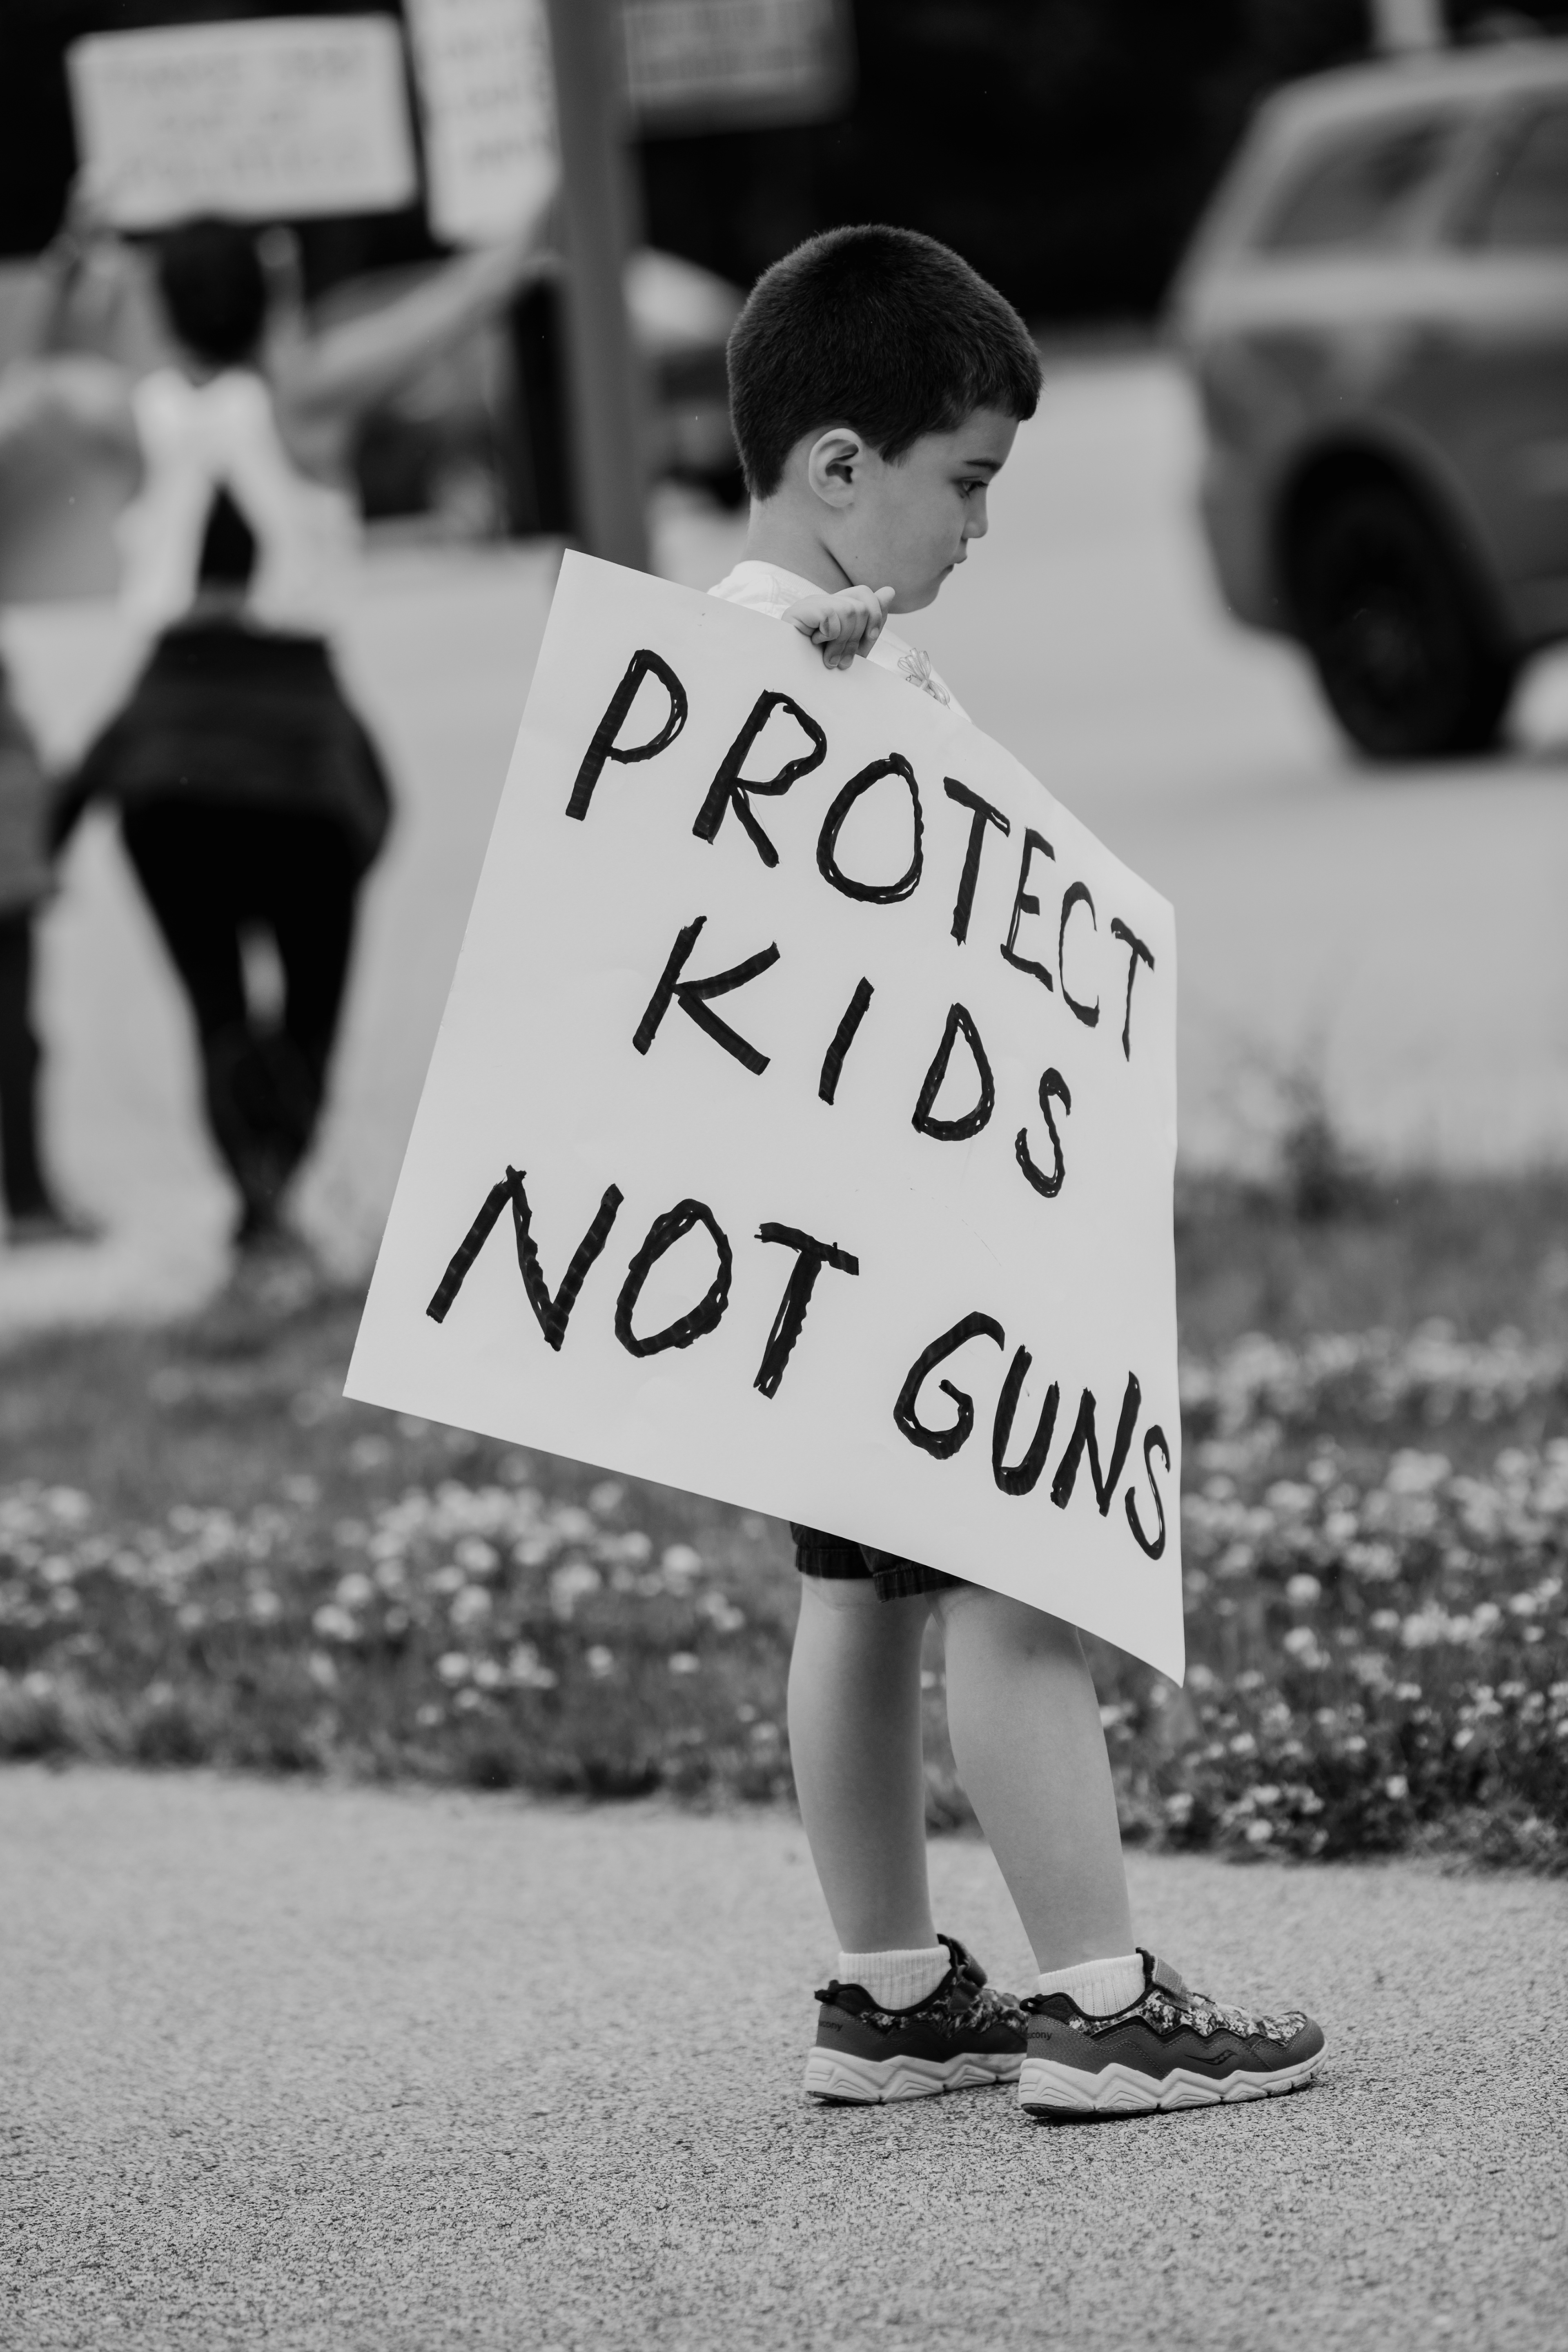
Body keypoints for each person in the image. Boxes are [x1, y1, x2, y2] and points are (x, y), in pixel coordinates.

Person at [710, 226, 1325, 2119]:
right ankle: (1105, 2000)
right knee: (1014, 1585)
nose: (980, 528)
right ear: (841, 471)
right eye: (964, 483)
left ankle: (887, 1988)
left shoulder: (807, 650)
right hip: (908, 1238)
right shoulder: (790, 663)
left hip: (819, 1244)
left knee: (854, 1597)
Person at [31, 191, 555, 1290]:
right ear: (270, 295)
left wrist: (80, 272)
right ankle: (280, 1204)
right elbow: (463, 299)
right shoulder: (311, 401)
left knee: (214, 1006)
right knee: (312, 1000)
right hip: (300, 747)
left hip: (166, 749)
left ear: (163, 307)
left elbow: (37, 366)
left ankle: (257, 1212)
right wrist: (543, 195)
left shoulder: (127, 414)